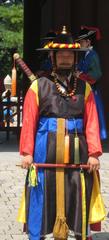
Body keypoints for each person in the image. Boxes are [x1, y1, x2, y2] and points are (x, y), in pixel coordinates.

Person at [18, 26, 105, 240]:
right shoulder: (38, 86)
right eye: (61, 55)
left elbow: (92, 121)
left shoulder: (84, 88)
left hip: (78, 148)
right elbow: (28, 121)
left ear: (75, 59)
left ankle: (80, 232)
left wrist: (93, 153)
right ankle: (37, 234)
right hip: (43, 149)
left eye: (70, 55)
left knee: (79, 187)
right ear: (52, 56)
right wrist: (27, 153)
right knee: (41, 188)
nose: (65, 59)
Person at [75, 26, 107, 140]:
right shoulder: (85, 55)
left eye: (82, 42)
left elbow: (96, 74)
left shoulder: (93, 55)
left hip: (92, 90)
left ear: (88, 42)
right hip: (84, 89)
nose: (80, 44)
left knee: (93, 113)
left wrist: (81, 76)